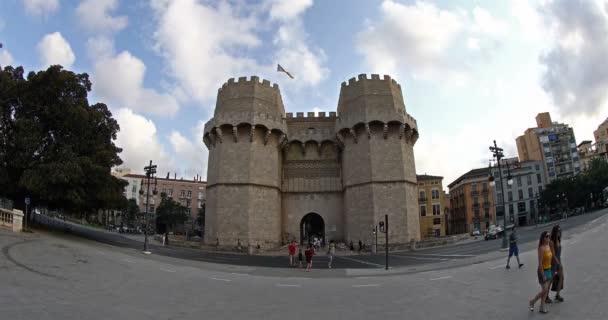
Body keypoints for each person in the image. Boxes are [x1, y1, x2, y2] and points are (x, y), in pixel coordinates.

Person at [529, 231, 560, 313]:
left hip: (549, 270)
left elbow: (552, 255)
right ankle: (532, 301)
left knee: (545, 291)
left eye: (549, 236)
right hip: (542, 271)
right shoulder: (541, 248)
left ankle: (542, 308)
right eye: (546, 236)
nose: (548, 237)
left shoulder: (549, 245)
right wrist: (543, 275)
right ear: (543, 238)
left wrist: (556, 264)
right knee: (545, 290)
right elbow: (540, 263)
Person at [549, 225, 565, 303]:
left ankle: (557, 295)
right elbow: (553, 254)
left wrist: (559, 262)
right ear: (555, 232)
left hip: (558, 262)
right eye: (558, 231)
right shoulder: (551, 242)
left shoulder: (558, 240)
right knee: (550, 280)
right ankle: (546, 297)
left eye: (560, 230)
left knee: (561, 277)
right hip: (553, 263)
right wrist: (558, 263)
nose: (559, 232)